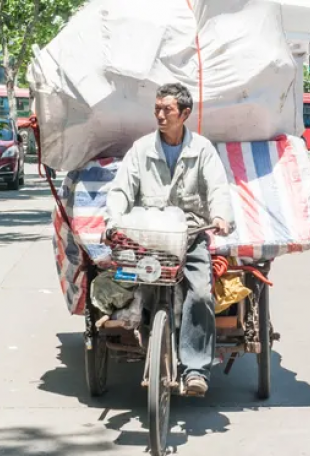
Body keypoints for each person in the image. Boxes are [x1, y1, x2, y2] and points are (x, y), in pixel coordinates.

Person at [105, 82, 233, 396]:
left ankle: (195, 370)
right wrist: (114, 221)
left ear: (185, 113)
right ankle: (149, 342)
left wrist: (220, 217)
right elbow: (122, 189)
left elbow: (217, 188)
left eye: (168, 110)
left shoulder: (202, 149)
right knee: (134, 288)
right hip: (150, 237)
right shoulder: (141, 149)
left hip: (190, 236)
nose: (160, 115)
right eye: (157, 109)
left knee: (201, 295)